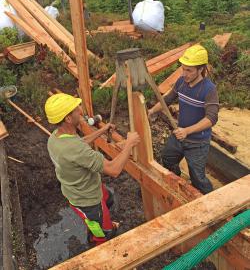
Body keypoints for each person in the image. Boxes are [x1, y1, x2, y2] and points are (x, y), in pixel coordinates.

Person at [45, 93, 140, 245]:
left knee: (108, 198)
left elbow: (80, 143)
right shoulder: (75, 150)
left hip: (81, 188)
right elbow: (113, 170)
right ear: (68, 119)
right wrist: (129, 144)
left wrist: (102, 130)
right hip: (87, 201)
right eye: (77, 110)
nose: (81, 112)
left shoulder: (56, 138)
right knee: (104, 233)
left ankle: (103, 220)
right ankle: (99, 239)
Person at [148, 45, 219, 194]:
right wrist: (151, 111)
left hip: (197, 143)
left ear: (201, 70)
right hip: (179, 136)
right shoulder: (181, 82)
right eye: (183, 68)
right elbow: (167, 99)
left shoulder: (209, 89)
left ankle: (208, 200)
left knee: (197, 178)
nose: (184, 73)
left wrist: (187, 131)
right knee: (167, 159)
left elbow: (211, 118)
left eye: (189, 70)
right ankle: (177, 185)